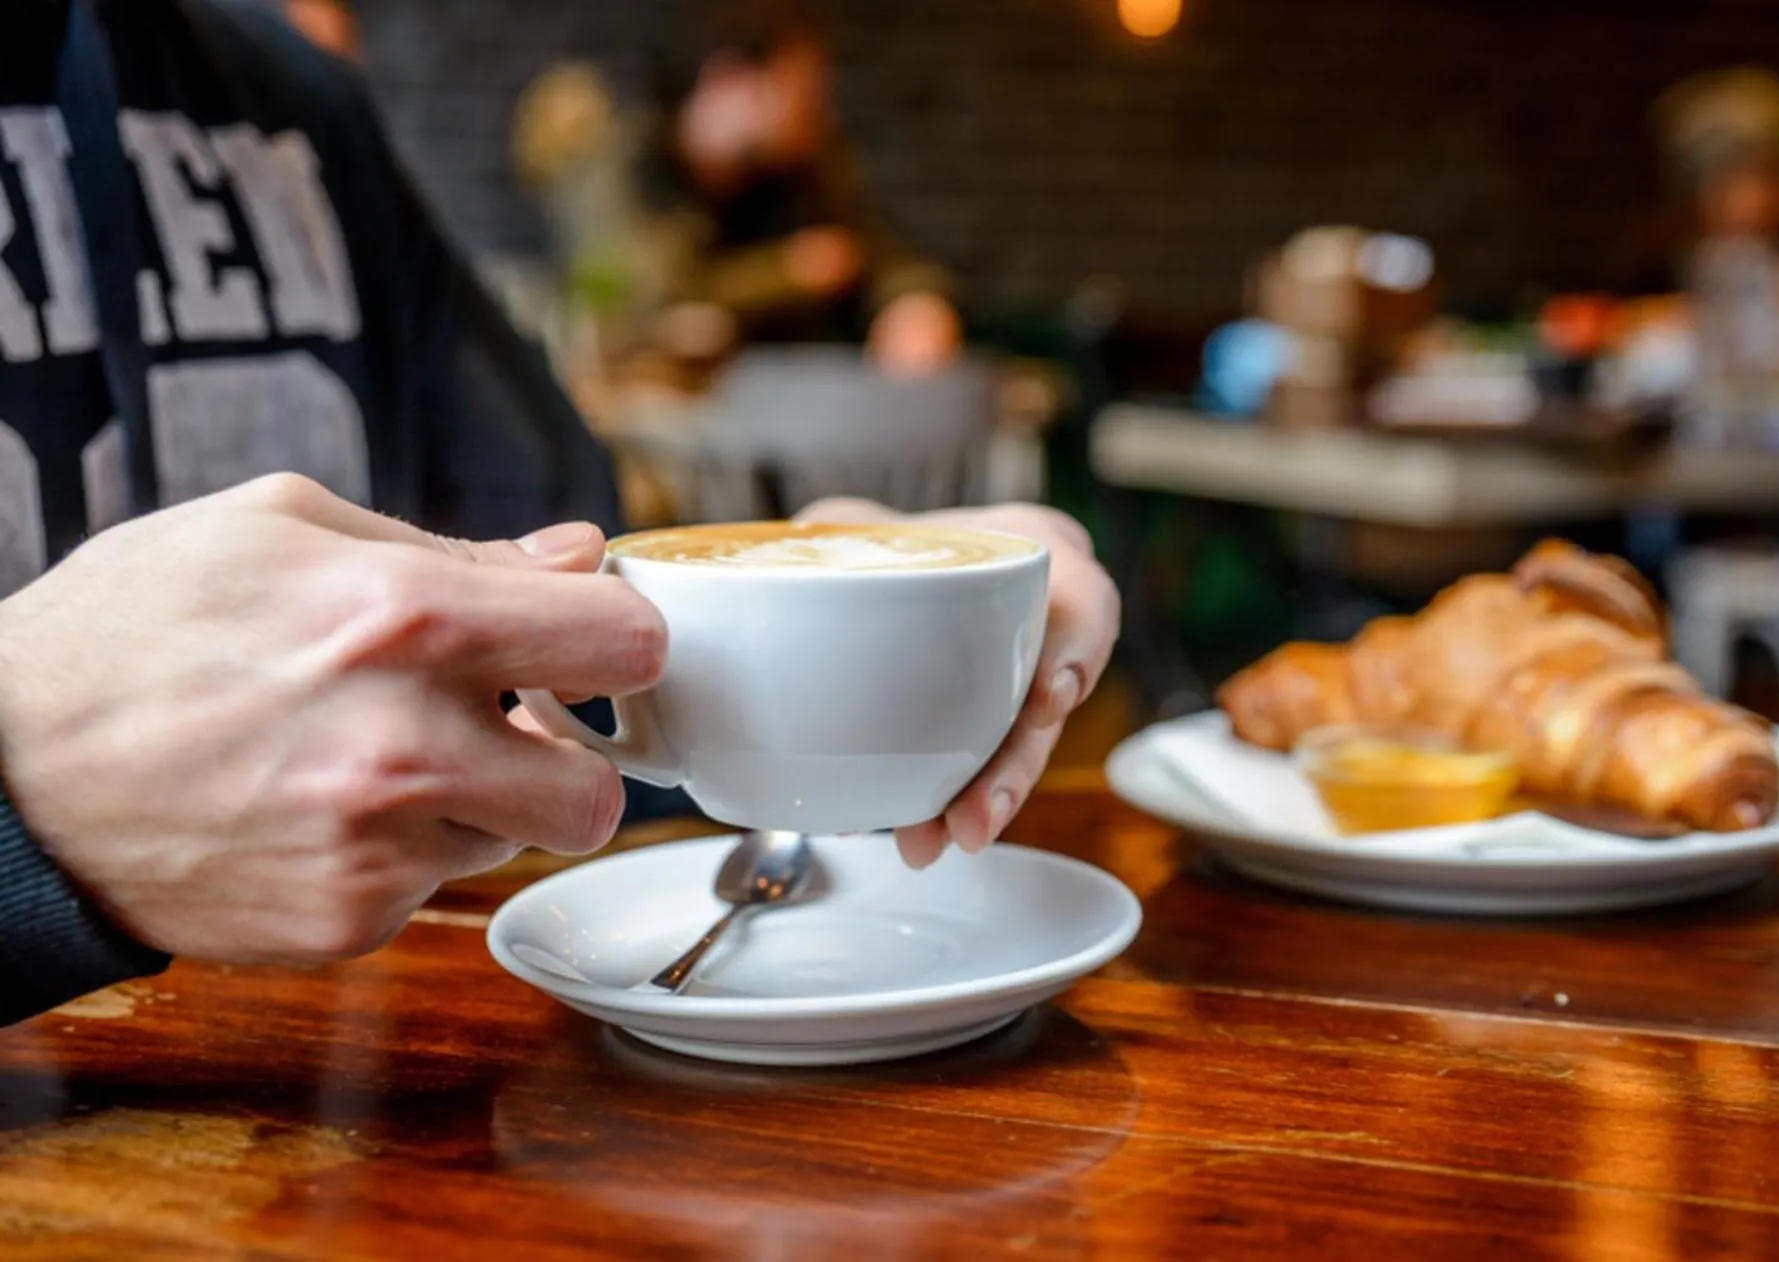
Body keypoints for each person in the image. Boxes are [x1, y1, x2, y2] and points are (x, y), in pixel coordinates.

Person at [0, 1, 1121, 1023]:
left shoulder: (289, 100)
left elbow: (583, 632)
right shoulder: (603, 152)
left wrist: (821, 649)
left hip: (384, 1100)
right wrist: (26, 800)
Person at [514, 2, 963, 378]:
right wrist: (787, 273)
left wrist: (913, 299)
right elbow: (643, 302)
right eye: (801, 92)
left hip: (769, 429)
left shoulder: (794, 173)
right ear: (730, 80)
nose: (817, 111)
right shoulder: (620, 166)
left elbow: (872, 249)